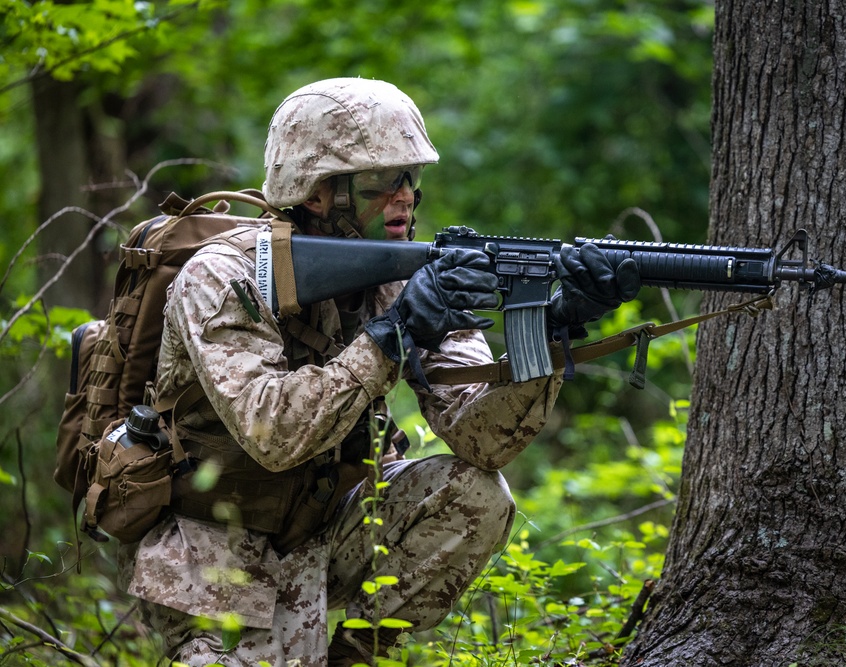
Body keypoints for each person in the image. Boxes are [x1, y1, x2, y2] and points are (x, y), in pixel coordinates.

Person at [117, 77, 639, 666]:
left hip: (329, 529)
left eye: (412, 178)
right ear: (317, 193)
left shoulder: (406, 277)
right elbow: (273, 435)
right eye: (381, 181)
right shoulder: (224, 277)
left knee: (474, 494)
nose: (405, 197)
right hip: (214, 556)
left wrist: (552, 329)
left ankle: (361, 654)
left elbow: (482, 440)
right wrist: (392, 337)